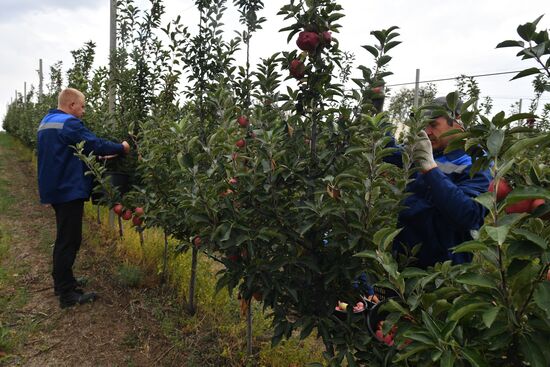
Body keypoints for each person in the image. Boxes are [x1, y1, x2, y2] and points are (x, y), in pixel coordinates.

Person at [37, 88, 130, 308]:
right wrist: (121, 147)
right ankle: (67, 295)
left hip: (55, 187)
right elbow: (94, 142)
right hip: (67, 189)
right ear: (71, 105)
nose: (84, 111)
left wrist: (96, 156)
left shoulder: (48, 121)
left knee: (65, 237)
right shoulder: (69, 123)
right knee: (69, 240)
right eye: (82, 106)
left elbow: (63, 152)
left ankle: (63, 282)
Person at [385, 96, 492, 268]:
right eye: (424, 125)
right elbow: (388, 152)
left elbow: (469, 215)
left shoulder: (475, 163)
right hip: (404, 263)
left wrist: (430, 168)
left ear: (458, 121)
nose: (426, 131)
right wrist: (377, 107)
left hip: (443, 274)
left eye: (433, 125)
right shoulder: (430, 152)